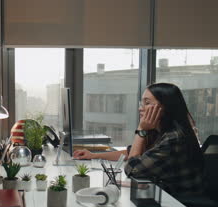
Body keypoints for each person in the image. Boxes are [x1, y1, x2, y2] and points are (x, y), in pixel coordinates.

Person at [73, 83, 205, 197]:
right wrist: (93, 155)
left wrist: (141, 130)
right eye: (142, 103)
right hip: (163, 193)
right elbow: (131, 153)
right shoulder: (160, 132)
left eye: (147, 103)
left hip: (180, 206)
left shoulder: (173, 138)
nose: (140, 108)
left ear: (164, 107)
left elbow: (133, 170)